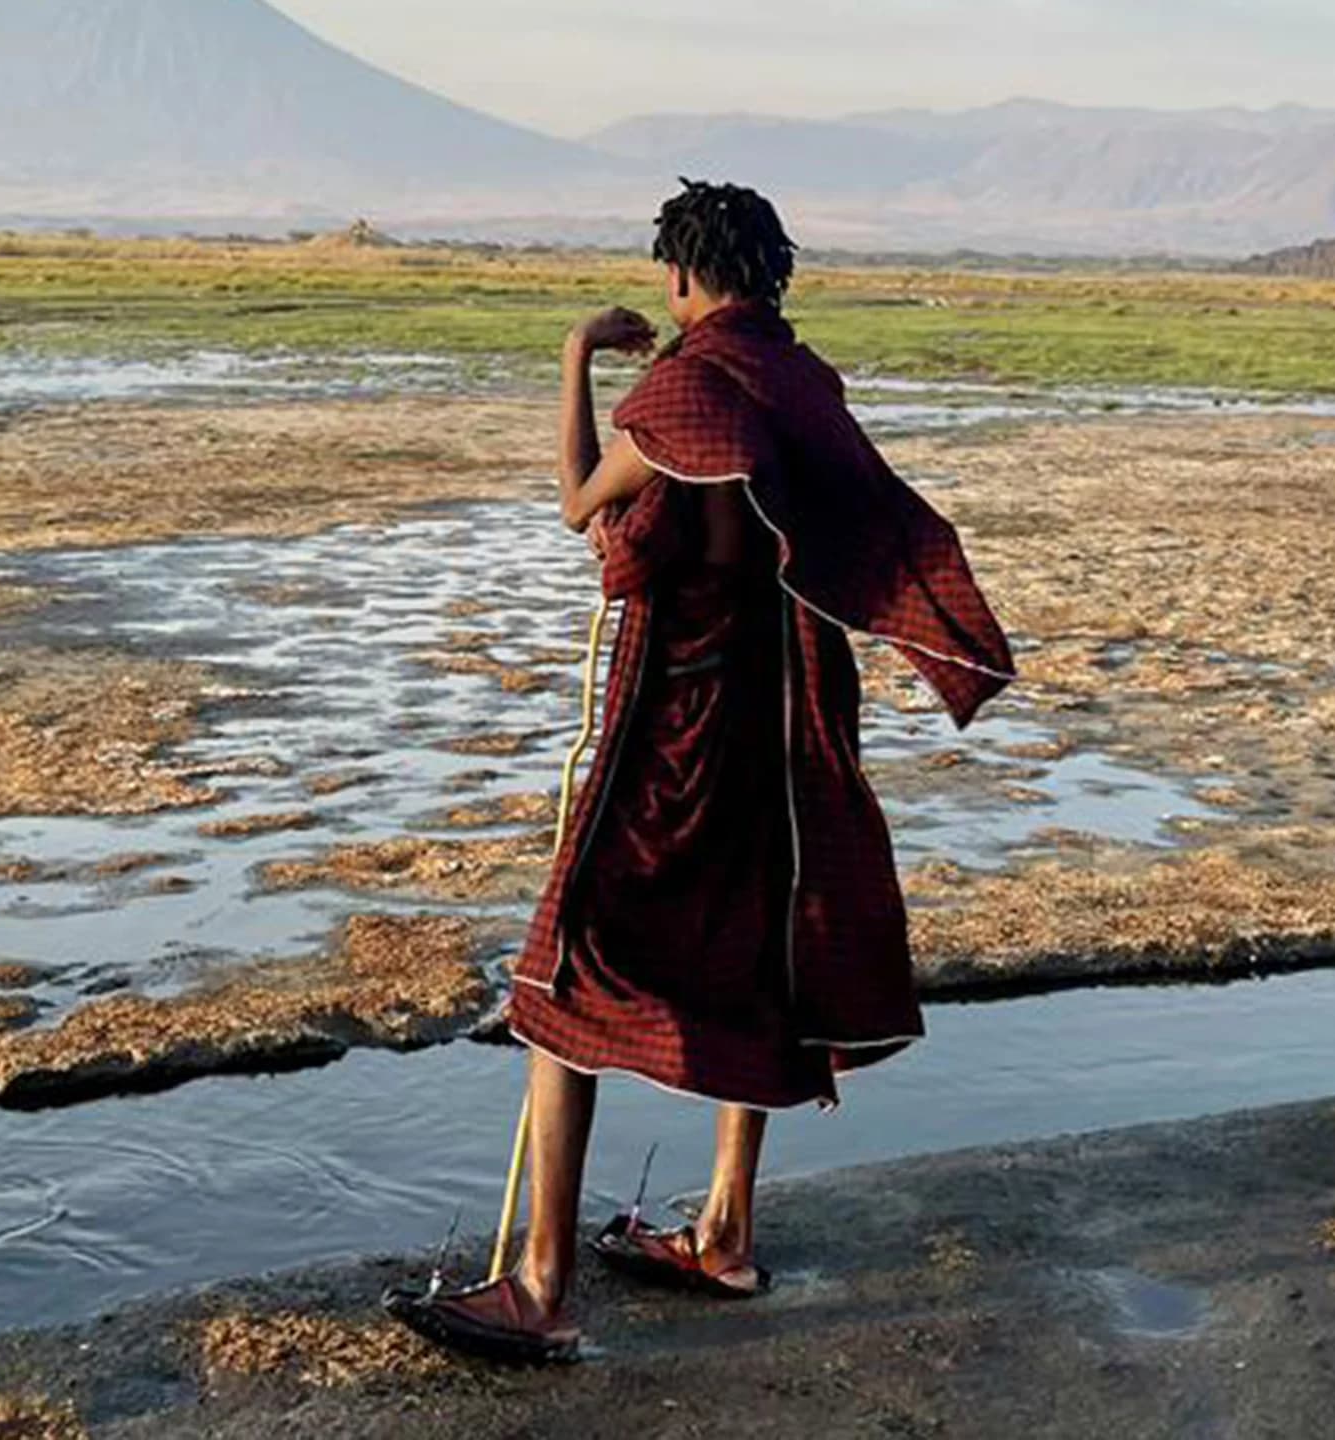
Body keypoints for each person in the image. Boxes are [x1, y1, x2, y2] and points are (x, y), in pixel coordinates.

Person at [391, 179, 1013, 1363]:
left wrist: (576, 354)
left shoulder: (680, 389)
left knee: (564, 967)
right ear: (768, 276)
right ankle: (722, 1232)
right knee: (762, 936)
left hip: (673, 711)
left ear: (681, 278)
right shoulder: (800, 383)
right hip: (782, 714)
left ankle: (540, 1284)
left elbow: (584, 505)